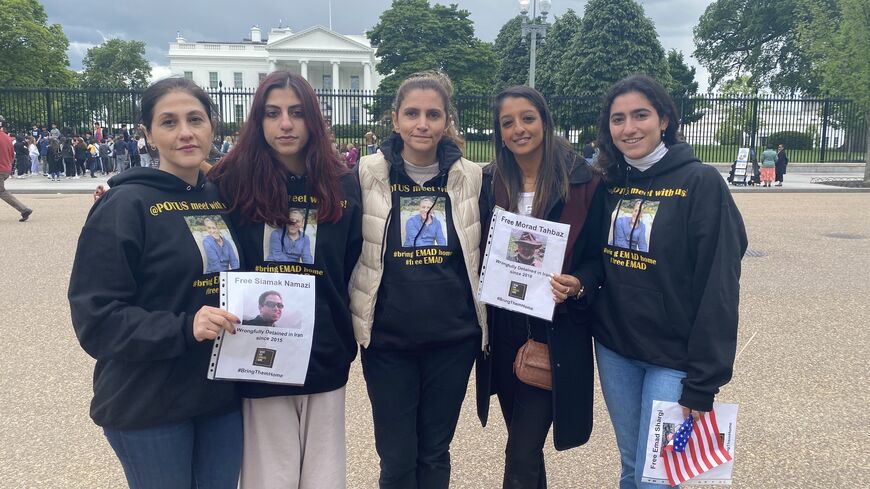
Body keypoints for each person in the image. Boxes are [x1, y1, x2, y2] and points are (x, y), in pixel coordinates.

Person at [68, 77, 244, 489]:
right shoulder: (124, 205)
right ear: (148, 134)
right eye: (169, 122)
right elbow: (96, 317)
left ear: (211, 128)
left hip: (219, 398)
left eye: (195, 119)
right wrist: (185, 327)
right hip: (149, 400)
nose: (185, 132)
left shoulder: (223, 199)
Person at [207, 70, 362, 489]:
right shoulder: (229, 182)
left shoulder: (343, 183)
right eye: (273, 114)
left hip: (324, 347)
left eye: (296, 113)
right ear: (258, 121)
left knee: (324, 475)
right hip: (258, 350)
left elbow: (350, 264)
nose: (286, 124)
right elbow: (179, 203)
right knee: (268, 476)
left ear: (312, 118)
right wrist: (115, 189)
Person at [592, 75, 747, 489]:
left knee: (656, 479)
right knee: (631, 465)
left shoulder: (701, 183)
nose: (629, 128)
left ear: (664, 119)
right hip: (615, 350)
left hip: (673, 358)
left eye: (640, 115)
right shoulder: (608, 183)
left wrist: (704, 382)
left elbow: (720, 285)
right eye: (618, 119)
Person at [350, 71, 488, 489]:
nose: (422, 124)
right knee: (396, 458)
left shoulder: (472, 177)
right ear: (395, 120)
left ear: (447, 121)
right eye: (412, 114)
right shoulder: (366, 174)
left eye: (433, 114)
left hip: (452, 339)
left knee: (434, 453)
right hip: (389, 342)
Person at [475, 85, 605, 489]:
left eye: (527, 118)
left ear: (545, 122)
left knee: (522, 450)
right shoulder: (490, 181)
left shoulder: (585, 182)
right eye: (507, 122)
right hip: (503, 328)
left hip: (552, 332)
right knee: (522, 446)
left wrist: (580, 283)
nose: (518, 129)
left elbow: (600, 259)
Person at [0, 127, 33, 221]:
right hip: (6, 168)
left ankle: (24, 209)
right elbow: (12, 155)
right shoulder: (7, 138)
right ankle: (24, 210)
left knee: (2, 192)